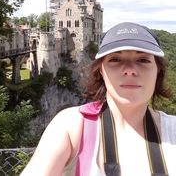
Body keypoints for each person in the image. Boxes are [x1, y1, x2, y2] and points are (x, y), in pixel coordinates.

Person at [20, 22, 176, 176]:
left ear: (158, 71)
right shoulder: (71, 126)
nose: (130, 70)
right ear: (101, 70)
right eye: (115, 59)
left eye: (143, 60)